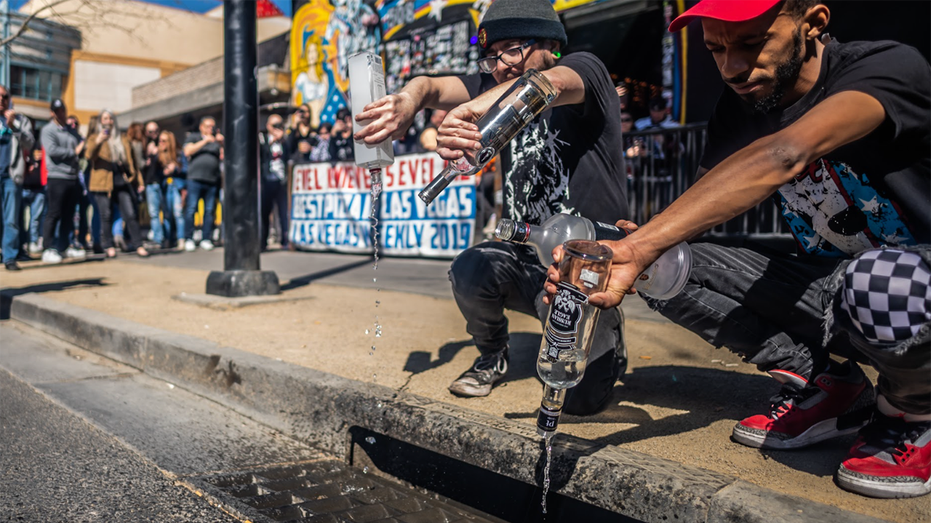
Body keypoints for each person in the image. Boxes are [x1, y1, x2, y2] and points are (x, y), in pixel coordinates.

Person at [546, 0, 931, 499]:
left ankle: (912, 411)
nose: (731, 67)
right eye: (715, 48)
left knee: (879, 282)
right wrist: (622, 254)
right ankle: (832, 385)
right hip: (837, 287)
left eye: (752, 43)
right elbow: (693, 226)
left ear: (813, 23)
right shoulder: (740, 108)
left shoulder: (884, 68)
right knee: (665, 265)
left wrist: (641, 245)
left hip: (912, 282)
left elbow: (785, 153)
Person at [355, 0, 629, 414]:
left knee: (578, 399)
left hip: (582, 266)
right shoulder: (493, 84)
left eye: (514, 48)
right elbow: (430, 84)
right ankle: (493, 352)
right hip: (523, 252)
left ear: (549, 44)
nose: (501, 65)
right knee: (471, 266)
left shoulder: (583, 69)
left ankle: (606, 334)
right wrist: (408, 101)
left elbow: (548, 85)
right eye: (491, 56)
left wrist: (468, 110)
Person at [86, 110, 149, 259]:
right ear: (100, 121)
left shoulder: (123, 138)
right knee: (105, 214)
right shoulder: (95, 137)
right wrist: (99, 141)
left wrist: (138, 181)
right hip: (102, 180)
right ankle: (108, 246)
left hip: (121, 179)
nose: (108, 121)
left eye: (110, 118)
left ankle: (138, 244)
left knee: (130, 213)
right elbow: (88, 155)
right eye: (105, 118)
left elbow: (133, 161)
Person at [40, 99, 83, 265]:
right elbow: (52, 151)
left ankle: (63, 247)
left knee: (68, 215)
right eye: (56, 111)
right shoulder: (48, 130)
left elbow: (81, 145)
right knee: (54, 213)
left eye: (62, 110)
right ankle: (47, 248)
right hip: (57, 177)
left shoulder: (70, 131)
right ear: (52, 113)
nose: (60, 113)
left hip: (72, 177)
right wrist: (73, 151)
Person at [0, 85, 34, 270]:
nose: (1, 100)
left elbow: (29, 142)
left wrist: (13, 127)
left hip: (11, 176)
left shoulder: (21, 121)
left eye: (5, 96)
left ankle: (10, 257)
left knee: (11, 218)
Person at [182, 116, 223, 251]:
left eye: (212, 126)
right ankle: (189, 238)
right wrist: (205, 141)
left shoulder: (216, 141)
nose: (210, 129)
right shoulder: (194, 137)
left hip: (212, 180)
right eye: (207, 126)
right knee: (191, 209)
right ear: (201, 127)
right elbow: (188, 151)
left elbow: (223, 157)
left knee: (209, 210)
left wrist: (222, 143)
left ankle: (206, 238)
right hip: (195, 179)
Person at [259, 114, 290, 250]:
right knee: (265, 212)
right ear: (268, 127)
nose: (277, 128)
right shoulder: (263, 139)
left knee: (283, 212)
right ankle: (263, 241)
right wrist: (271, 142)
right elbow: (261, 154)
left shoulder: (285, 140)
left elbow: (290, 155)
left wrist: (283, 140)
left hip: (281, 181)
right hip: (267, 181)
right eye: (274, 125)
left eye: (279, 125)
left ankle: (285, 240)